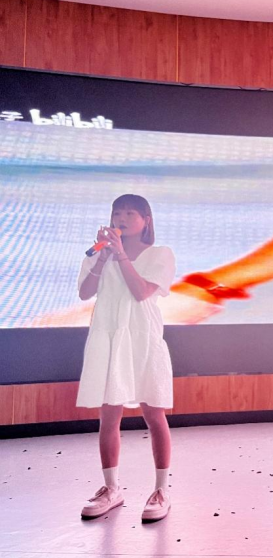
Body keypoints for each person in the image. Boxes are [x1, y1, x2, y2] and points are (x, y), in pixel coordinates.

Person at [76, 194, 176, 523]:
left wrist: (119, 255)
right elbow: (85, 292)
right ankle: (111, 488)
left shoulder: (160, 254)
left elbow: (141, 291)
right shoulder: (100, 253)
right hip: (108, 337)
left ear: (146, 220)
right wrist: (103, 258)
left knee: (154, 413)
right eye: (117, 212)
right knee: (108, 416)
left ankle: (161, 489)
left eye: (131, 213)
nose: (122, 218)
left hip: (142, 337)